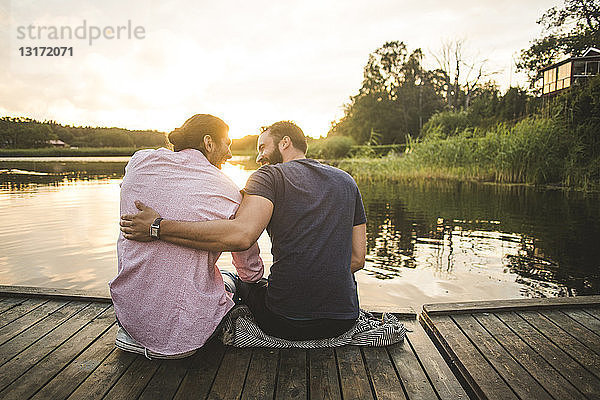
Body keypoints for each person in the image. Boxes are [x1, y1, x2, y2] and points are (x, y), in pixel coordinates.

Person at [120, 121, 366, 341]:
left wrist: (158, 227)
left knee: (241, 282)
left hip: (285, 321)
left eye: (262, 147)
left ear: (285, 143)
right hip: (344, 319)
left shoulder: (269, 176)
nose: (259, 158)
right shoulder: (347, 181)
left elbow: (242, 236)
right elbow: (357, 259)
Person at [110, 114, 263, 359]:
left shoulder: (139, 162)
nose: (230, 154)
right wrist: (252, 279)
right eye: (228, 144)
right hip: (187, 335)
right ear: (209, 143)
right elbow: (250, 269)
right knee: (232, 278)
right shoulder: (228, 190)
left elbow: (127, 189)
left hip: (130, 318)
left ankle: (134, 335)